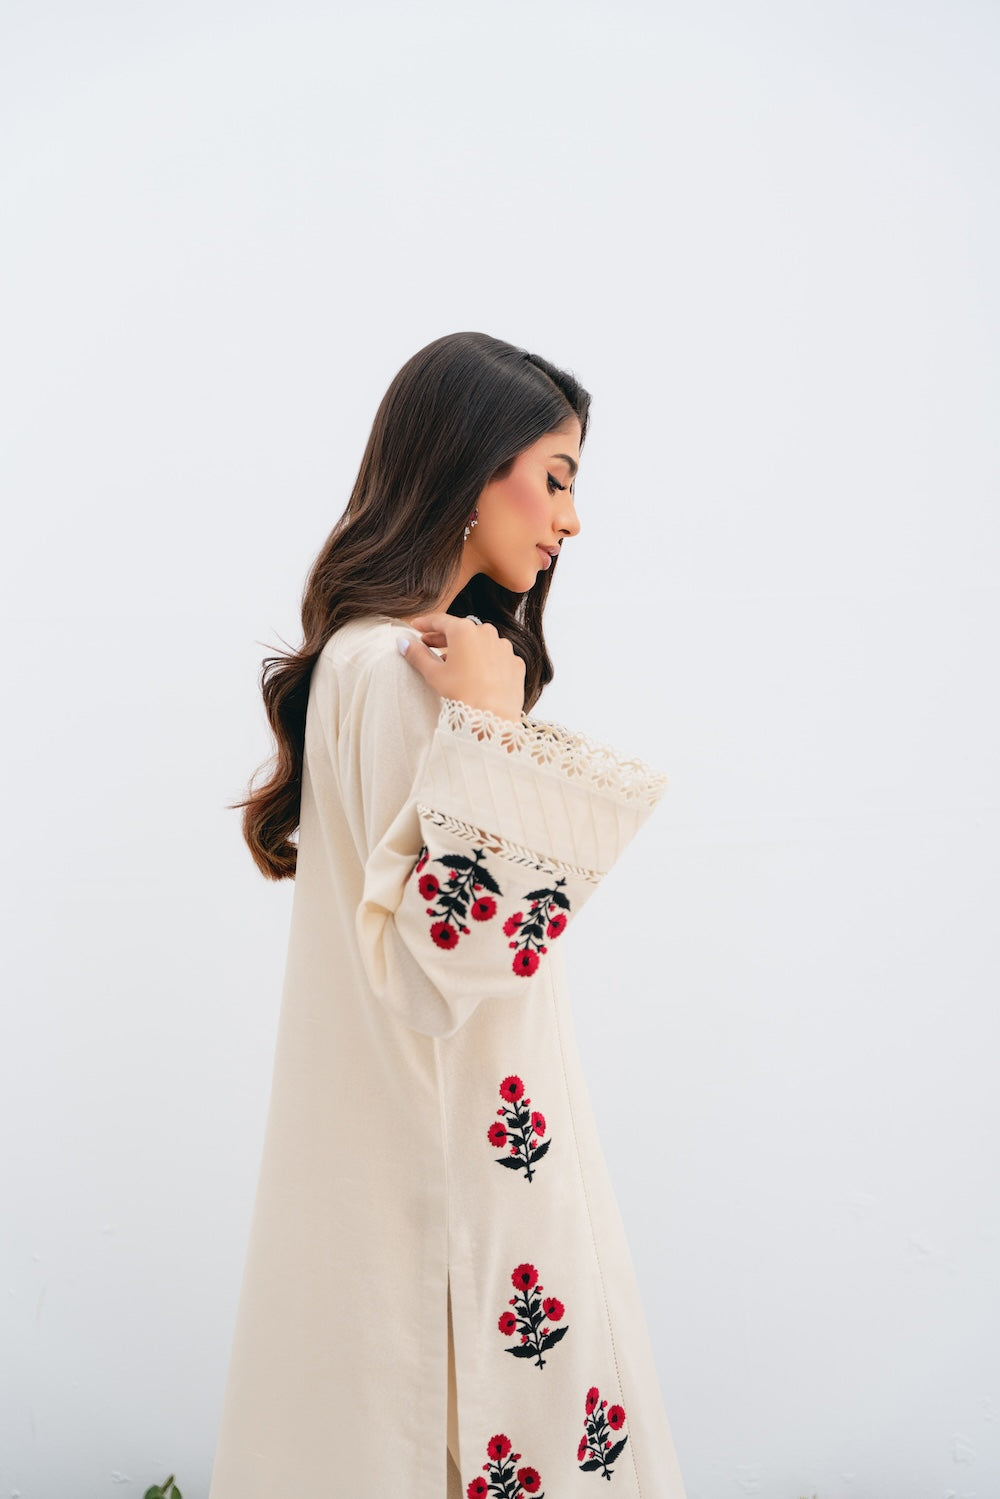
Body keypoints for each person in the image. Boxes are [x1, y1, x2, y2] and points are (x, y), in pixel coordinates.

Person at [208, 331, 688, 1499]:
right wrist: (491, 727)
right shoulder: (403, 670)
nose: (570, 520)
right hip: (459, 1165)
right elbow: (442, 962)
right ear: (472, 467)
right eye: (555, 477)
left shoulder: (363, 659)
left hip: (425, 1143)